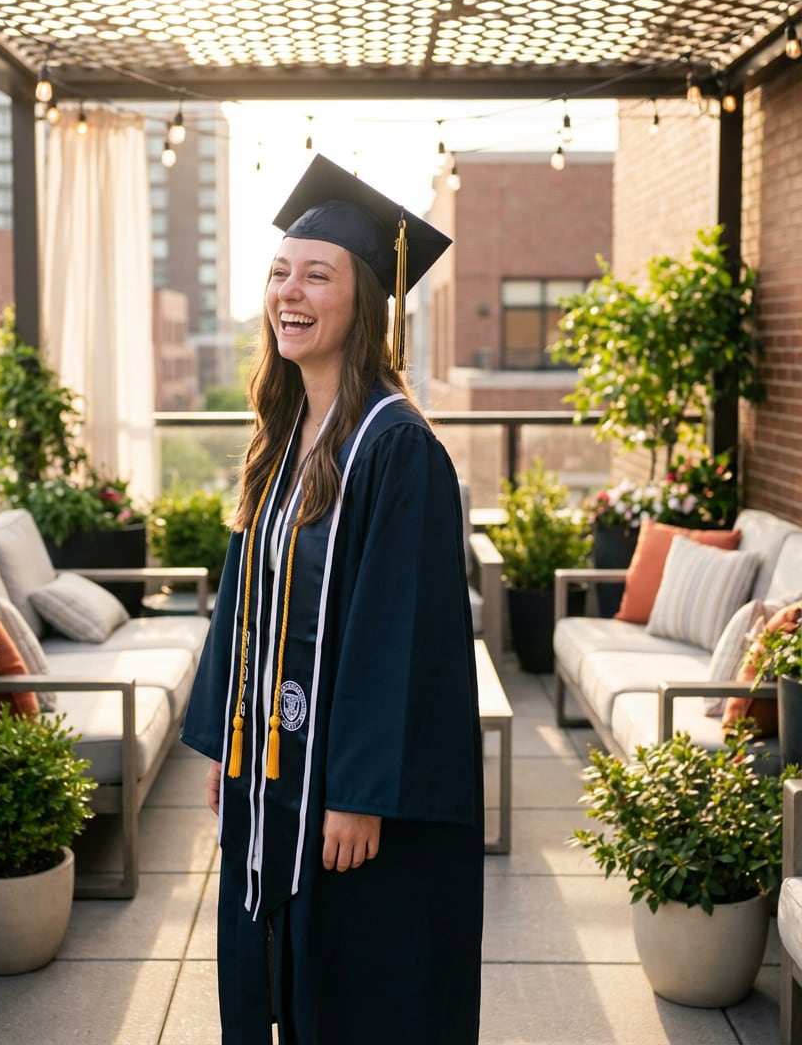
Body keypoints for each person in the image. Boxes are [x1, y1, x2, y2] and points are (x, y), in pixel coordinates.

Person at [181, 154, 484, 1044]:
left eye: (318, 273)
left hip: (343, 792)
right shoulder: (284, 439)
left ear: (365, 303)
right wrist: (230, 734)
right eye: (279, 272)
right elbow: (245, 601)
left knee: (354, 987)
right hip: (271, 765)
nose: (291, 292)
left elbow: (404, 635)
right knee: (277, 967)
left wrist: (358, 792)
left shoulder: (398, 451)